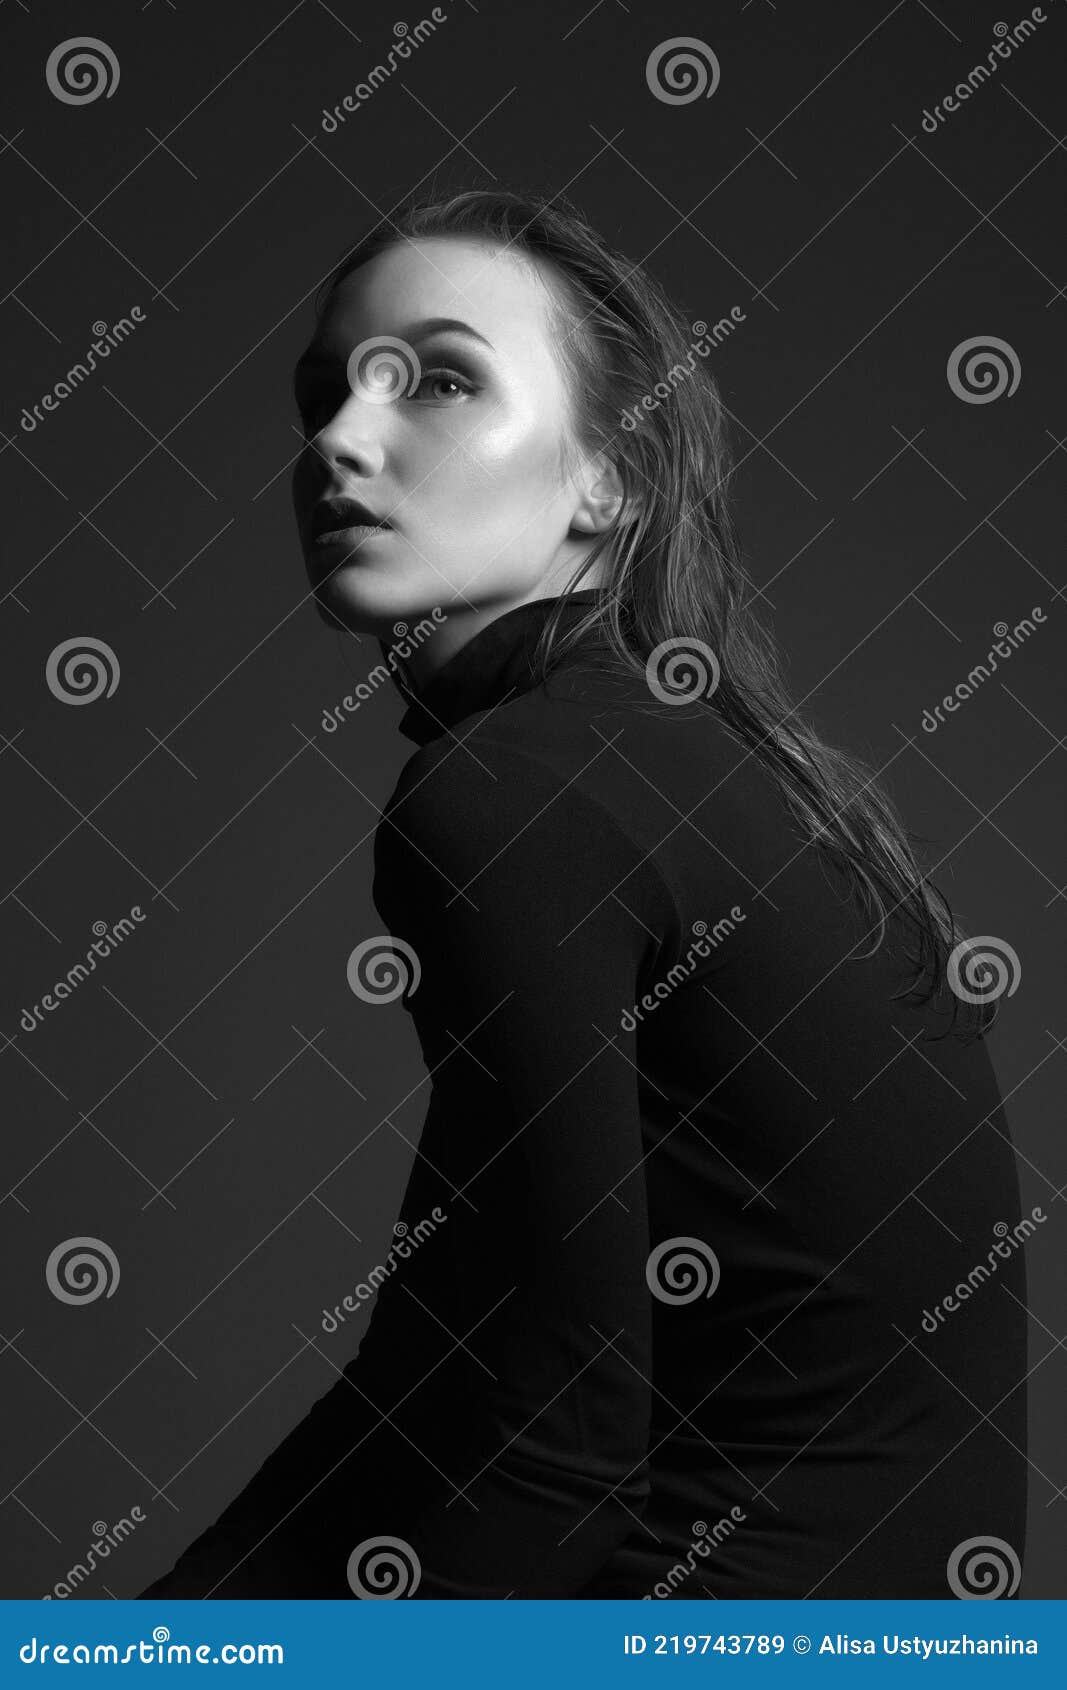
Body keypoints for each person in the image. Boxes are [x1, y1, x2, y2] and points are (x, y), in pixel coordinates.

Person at [138, 188, 1027, 1600]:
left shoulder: (518, 790)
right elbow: (446, 1351)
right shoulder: (697, 762)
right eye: (327, 395)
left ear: (610, 473)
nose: (340, 444)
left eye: (439, 378)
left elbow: (552, 1438)